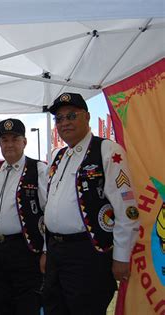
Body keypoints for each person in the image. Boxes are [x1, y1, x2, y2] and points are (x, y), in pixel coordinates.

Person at [43, 92, 140, 315]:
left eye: (71, 116)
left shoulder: (107, 150)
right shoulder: (58, 156)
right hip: (57, 252)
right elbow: (52, 206)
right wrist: (48, 250)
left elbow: (127, 209)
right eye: (59, 118)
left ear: (86, 117)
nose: (64, 122)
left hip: (88, 252)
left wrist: (121, 256)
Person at [0, 118, 48, 315]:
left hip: (25, 250)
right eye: (5, 140)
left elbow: (49, 213)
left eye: (15, 139)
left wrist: (46, 251)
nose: (9, 144)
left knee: (26, 305)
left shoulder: (39, 170)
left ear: (24, 142)